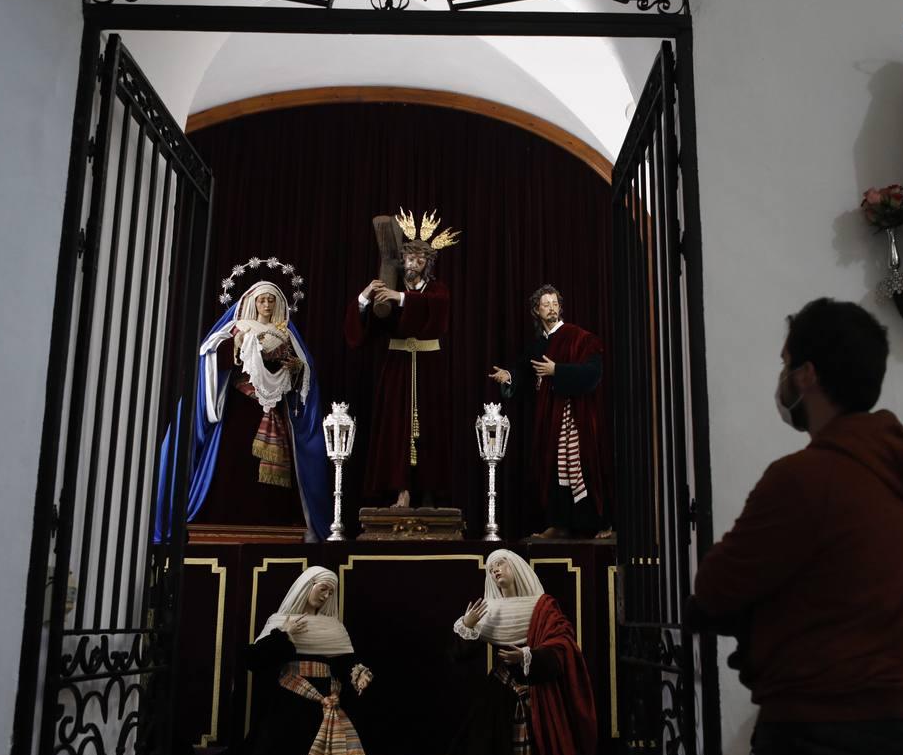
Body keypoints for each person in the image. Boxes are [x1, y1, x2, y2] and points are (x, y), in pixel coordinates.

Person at [688, 298, 903, 755]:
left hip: (815, 743)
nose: (781, 380)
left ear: (806, 375)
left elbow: (715, 588)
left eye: (785, 364)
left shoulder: (804, 478)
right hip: (898, 734)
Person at [154, 276, 331, 541]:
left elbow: (303, 373)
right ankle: (223, 523)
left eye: (271, 300)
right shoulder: (239, 328)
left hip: (273, 409)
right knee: (232, 463)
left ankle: (274, 524)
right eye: (262, 299)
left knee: (275, 477)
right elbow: (210, 355)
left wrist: (295, 367)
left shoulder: (286, 334)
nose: (267, 304)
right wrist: (237, 346)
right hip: (240, 408)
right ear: (252, 302)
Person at [193, 566, 392, 755]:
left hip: (325, 697)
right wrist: (284, 635)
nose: (326, 596)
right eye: (323, 589)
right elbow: (254, 659)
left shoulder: (333, 627)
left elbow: (346, 660)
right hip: (289, 697)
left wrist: (359, 674)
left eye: (330, 592)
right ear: (308, 586)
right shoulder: (279, 621)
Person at [436, 549, 597, 755]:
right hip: (500, 689)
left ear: (516, 567)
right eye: (491, 569)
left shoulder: (543, 606)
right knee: (482, 754)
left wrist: (527, 656)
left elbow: (562, 644)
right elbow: (458, 656)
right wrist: (467, 626)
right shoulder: (488, 611)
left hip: (538, 689)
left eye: (500, 564)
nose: (496, 570)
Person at [345, 209, 460, 509]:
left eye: (420, 260)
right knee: (396, 428)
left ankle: (430, 492)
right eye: (409, 258)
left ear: (428, 264)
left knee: (431, 428)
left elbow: (438, 309)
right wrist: (364, 299)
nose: (414, 264)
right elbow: (370, 329)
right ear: (402, 260)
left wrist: (402, 299)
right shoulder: (389, 286)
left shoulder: (436, 290)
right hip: (397, 365)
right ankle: (402, 490)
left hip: (429, 367)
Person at [488, 285, 610, 538]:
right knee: (555, 468)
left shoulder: (579, 337)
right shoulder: (538, 346)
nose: (552, 308)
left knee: (580, 466)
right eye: (546, 304)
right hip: (550, 418)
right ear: (536, 310)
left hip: (575, 415)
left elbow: (593, 372)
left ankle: (597, 524)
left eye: (555, 303)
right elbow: (523, 370)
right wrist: (508, 376)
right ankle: (561, 523)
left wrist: (558, 371)